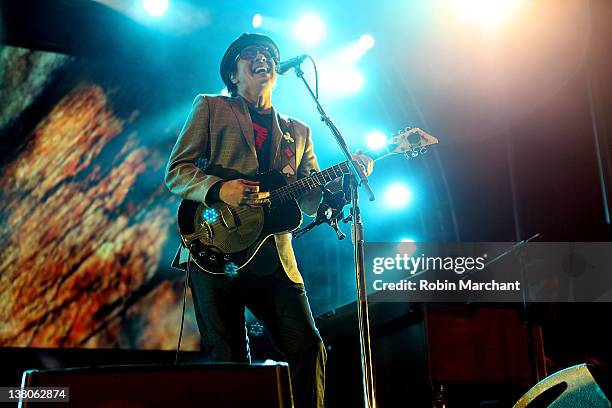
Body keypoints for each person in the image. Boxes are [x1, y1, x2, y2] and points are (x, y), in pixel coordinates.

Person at [165, 33, 373, 408]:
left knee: (308, 348)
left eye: (269, 55)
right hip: (214, 250)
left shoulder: (299, 131)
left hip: (273, 256)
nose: (263, 58)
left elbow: (310, 201)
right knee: (229, 362)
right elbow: (176, 172)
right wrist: (219, 189)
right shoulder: (210, 107)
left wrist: (346, 175)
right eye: (252, 55)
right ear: (233, 74)